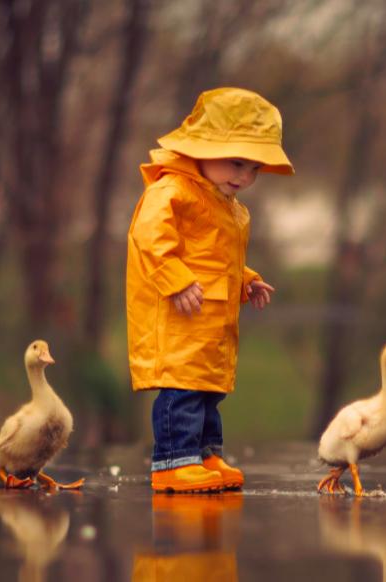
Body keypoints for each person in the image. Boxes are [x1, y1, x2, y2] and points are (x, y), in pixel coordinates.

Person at [126, 87, 294, 493]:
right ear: (201, 148)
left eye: (253, 168)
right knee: (181, 388)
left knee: (207, 393)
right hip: (178, 315)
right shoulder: (172, 192)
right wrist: (176, 280)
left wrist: (246, 279)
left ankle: (204, 455)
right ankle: (172, 462)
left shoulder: (227, 204)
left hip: (210, 319)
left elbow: (215, 256)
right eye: (236, 162)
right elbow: (149, 238)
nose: (244, 176)